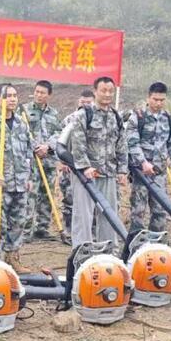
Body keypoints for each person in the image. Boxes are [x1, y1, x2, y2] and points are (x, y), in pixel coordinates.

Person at [61, 77, 128, 245]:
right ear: (95, 91)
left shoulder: (116, 117)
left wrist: (122, 170)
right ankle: (82, 251)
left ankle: (108, 250)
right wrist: (85, 167)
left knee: (109, 214)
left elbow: (121, 145)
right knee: (83, 216)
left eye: (110, 91)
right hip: (86, 175)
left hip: (108, 173)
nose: (107, 94)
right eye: (103, 90)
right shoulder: (84, 114)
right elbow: (78, 143)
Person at [0, 83, 35, 272]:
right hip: (0, 184)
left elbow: (28, 151)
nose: (12, 99)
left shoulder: (21, 123)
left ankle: (13, 258)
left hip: (20, 183)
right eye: (8, 96)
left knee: (18, 222)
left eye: (14, 95)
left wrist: (29, 176)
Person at [126, 82, 171, 237]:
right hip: (141, 173)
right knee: (138, 210)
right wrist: (143, 162)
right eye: (155, 99)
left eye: (162, 100)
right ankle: (136, 242)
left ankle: (156, 242)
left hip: (160, 172)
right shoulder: (138, 117)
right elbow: (132, 143)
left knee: (160, 209)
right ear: (148, 98)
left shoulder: (168, 118)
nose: (158, 103)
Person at [23, 80, 63, 241]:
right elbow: (21, 132)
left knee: (47, 194)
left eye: (42, 93)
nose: (39, 95)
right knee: (30, 194)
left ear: (49, 95)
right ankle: (26, 230)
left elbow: (59, 133)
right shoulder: (24, 111)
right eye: (37, 92)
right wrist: (35, 147)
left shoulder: (54, 114)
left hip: (48, 160)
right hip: (31, 161)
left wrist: (47, 146)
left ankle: (42, 228)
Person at [57, 88, 94, 243]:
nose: (85, 105)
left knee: (91, 202)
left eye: (88, 102)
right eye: (82, 102)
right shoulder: (69, 119)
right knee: (69, 200)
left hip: (90, 166)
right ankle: (69, 230)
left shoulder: (96, 119)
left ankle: (90, 232)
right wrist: (62, 161)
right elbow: (60, 140)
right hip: (70, 165)